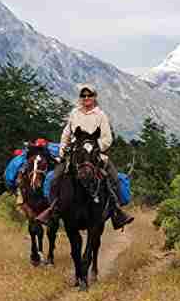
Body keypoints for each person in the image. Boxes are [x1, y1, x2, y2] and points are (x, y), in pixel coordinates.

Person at [36, 84, 134, 230]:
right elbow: (66, 133)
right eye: (83, 96)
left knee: (113, 178)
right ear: (80, 98)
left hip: (95, 153)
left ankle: (116, 211)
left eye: (89, 95)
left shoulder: (100, 115)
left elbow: (107, 138)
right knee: (54, 177)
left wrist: (93, 149)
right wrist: (63, 150)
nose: (86, 98)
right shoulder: (75, 113)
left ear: (94, 97)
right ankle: (53, 210)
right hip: (75, 154)